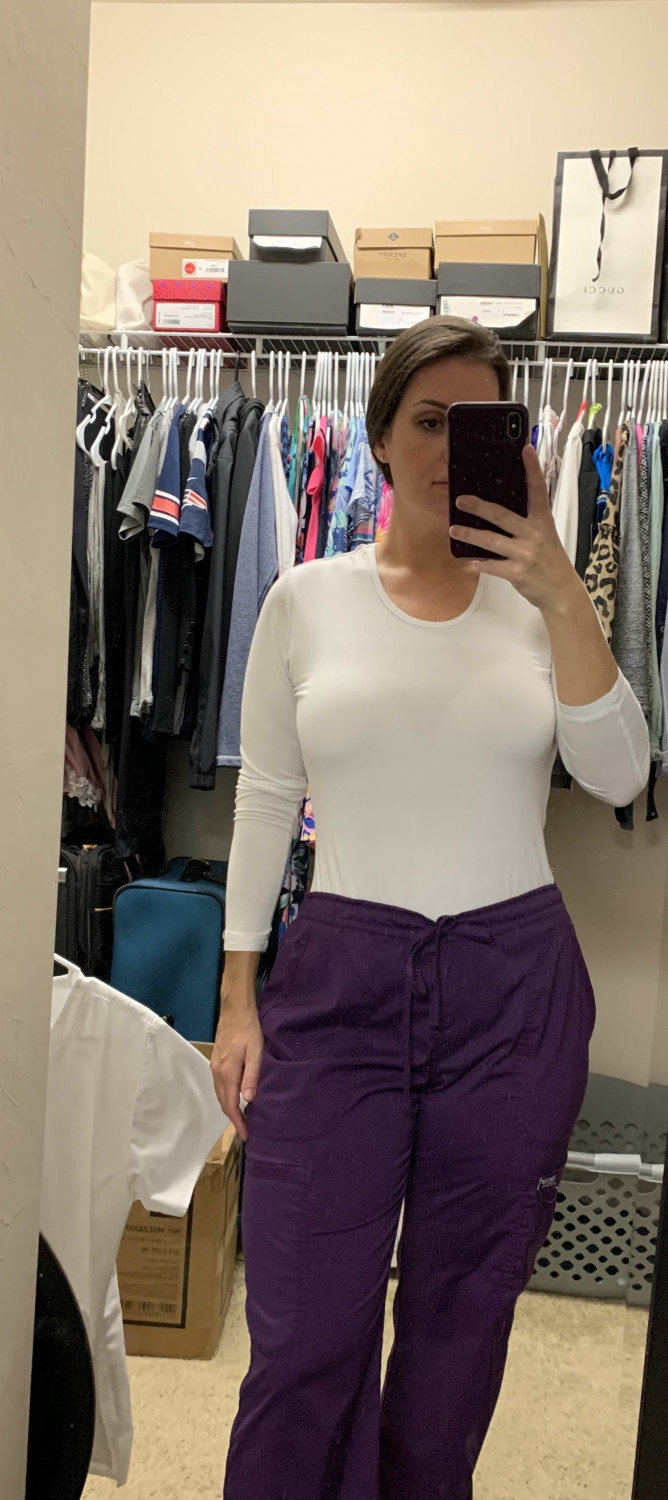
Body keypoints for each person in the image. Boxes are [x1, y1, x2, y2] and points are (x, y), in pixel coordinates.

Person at [212, 317, 649, 1500]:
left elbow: (617, 775)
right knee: (303, 1335)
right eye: (426, 420)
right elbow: (265, 796)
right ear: (375, 437)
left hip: (513, 995)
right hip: (338, 986)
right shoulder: (305, 600)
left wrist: (557, 589)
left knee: (459, 1332)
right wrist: (237, 1000)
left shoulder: (539, 607)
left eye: (479, 424)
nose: (452, 448)